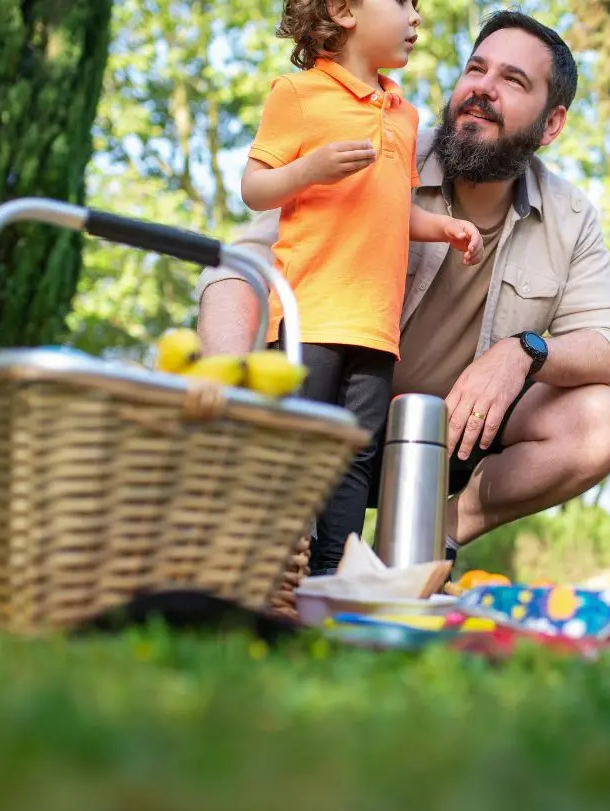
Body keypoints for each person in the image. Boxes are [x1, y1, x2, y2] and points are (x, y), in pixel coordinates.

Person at [199, 10, 610, 573]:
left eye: (512, 80)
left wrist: (526, 351)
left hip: (447, 441)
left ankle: (426, 542)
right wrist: (231, 401)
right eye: (476, 69)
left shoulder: (571, 216)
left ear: (551, 126)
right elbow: (236, 269)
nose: (482, 88)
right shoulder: (379, 142)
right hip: (318, 409)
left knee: (602, 419)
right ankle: (274, 537)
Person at [239, 0, 484, 574]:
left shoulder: (404, 115)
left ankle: (331, 576)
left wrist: (443, 227)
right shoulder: (297, 94)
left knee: (356, 454)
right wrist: (308, 171)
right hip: (310, 317)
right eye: (403, 2)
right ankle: (272, 572)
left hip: (375, 328)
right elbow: (255, 187)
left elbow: (393, 207)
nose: (416, 17)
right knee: (299, 447)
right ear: (345, 10)